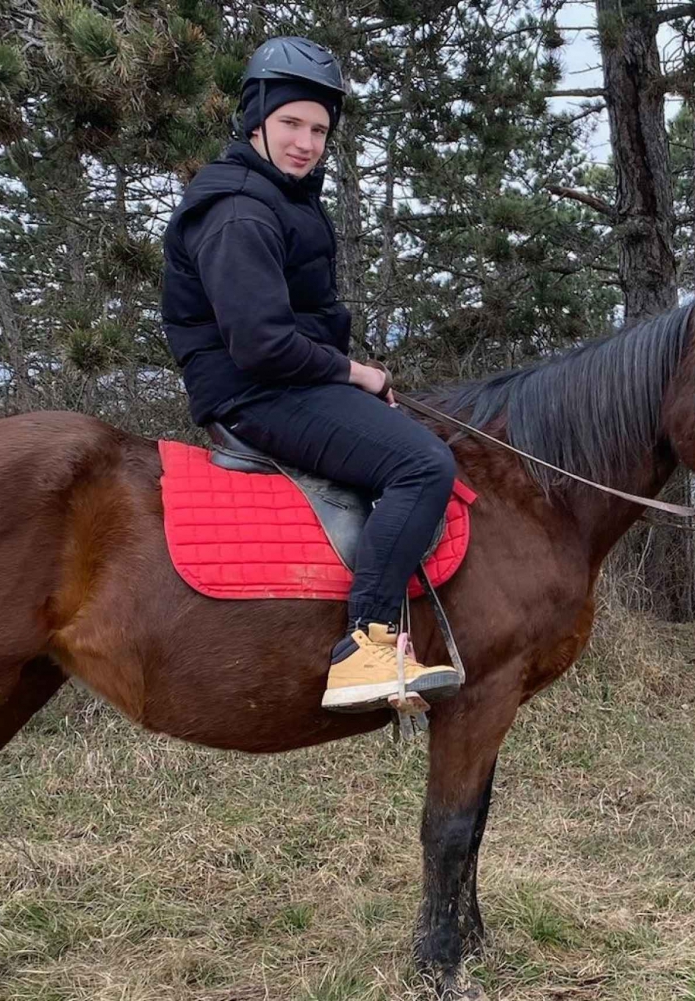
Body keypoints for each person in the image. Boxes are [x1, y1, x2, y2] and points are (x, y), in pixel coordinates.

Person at [161, 37, 462, 712]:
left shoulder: (281, 196)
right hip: (255, 390)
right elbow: (261, 344)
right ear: (256, 119)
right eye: (292, 122)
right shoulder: (239, 209)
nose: (305, 141)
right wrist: (357, 373)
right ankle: (366, 644)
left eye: (319, 128)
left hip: (286, 384)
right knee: (422, 465)